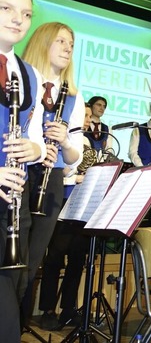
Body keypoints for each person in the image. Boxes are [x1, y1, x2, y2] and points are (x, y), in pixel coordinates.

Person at [20, 21, 85, 328]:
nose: (68, 48)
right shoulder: (21, 81)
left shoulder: (73, 95)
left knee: (31, 260)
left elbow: (74, 158)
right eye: (61, 42)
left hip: (52, 178)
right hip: (18, 172)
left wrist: (65, 141)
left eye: (70, 44)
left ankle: (16, 324)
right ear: (43, 42)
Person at [0, 0, 48, 340]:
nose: (18, 20)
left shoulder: (29, 74)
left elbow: (34, 134)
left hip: (14, 200)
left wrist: (37, 150)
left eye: (26, 14)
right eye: (7, 9)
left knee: (11, 294)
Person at [37, 103, 92, 330]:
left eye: (89, 116)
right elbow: (62, 169)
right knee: (55, 258)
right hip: (61, 201)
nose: (87, 120)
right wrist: (75, 177)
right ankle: (48, 310)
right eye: (85, 115)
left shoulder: (85, 143)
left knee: (77, 259)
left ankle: (68, 309)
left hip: (80, 205)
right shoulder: (61, 138)